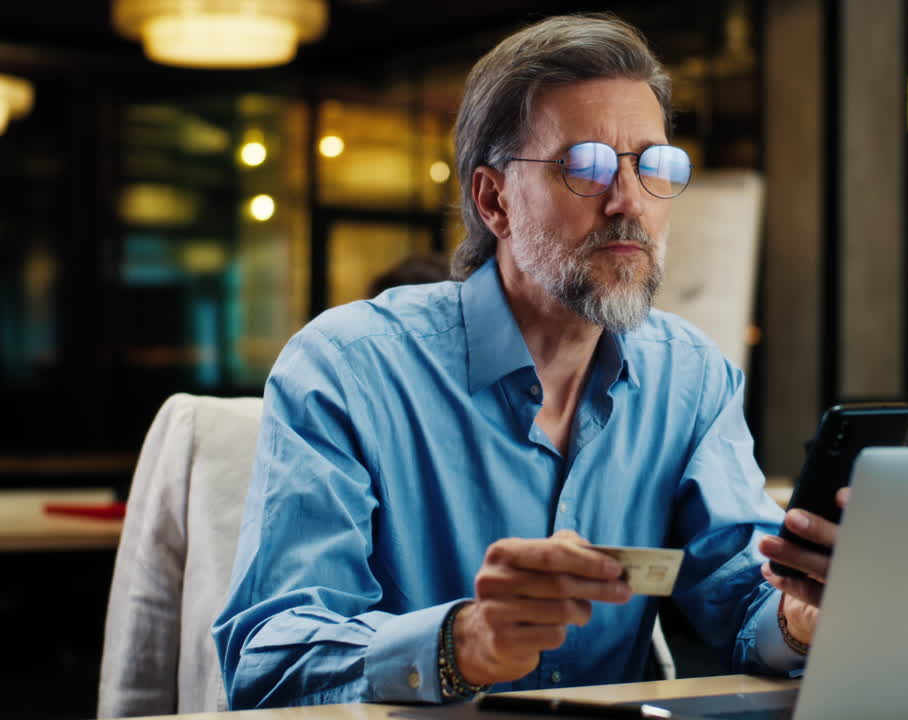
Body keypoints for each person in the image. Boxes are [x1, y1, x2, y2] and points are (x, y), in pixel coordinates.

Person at [213, 13, 840, 708]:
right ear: (493, 199)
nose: (628, 201)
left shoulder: (691, 377)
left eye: (654, 164)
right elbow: (269, 656)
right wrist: (462, 644)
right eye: (586, 166)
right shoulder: (346, 369)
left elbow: (740, 597)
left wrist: (799, 619)